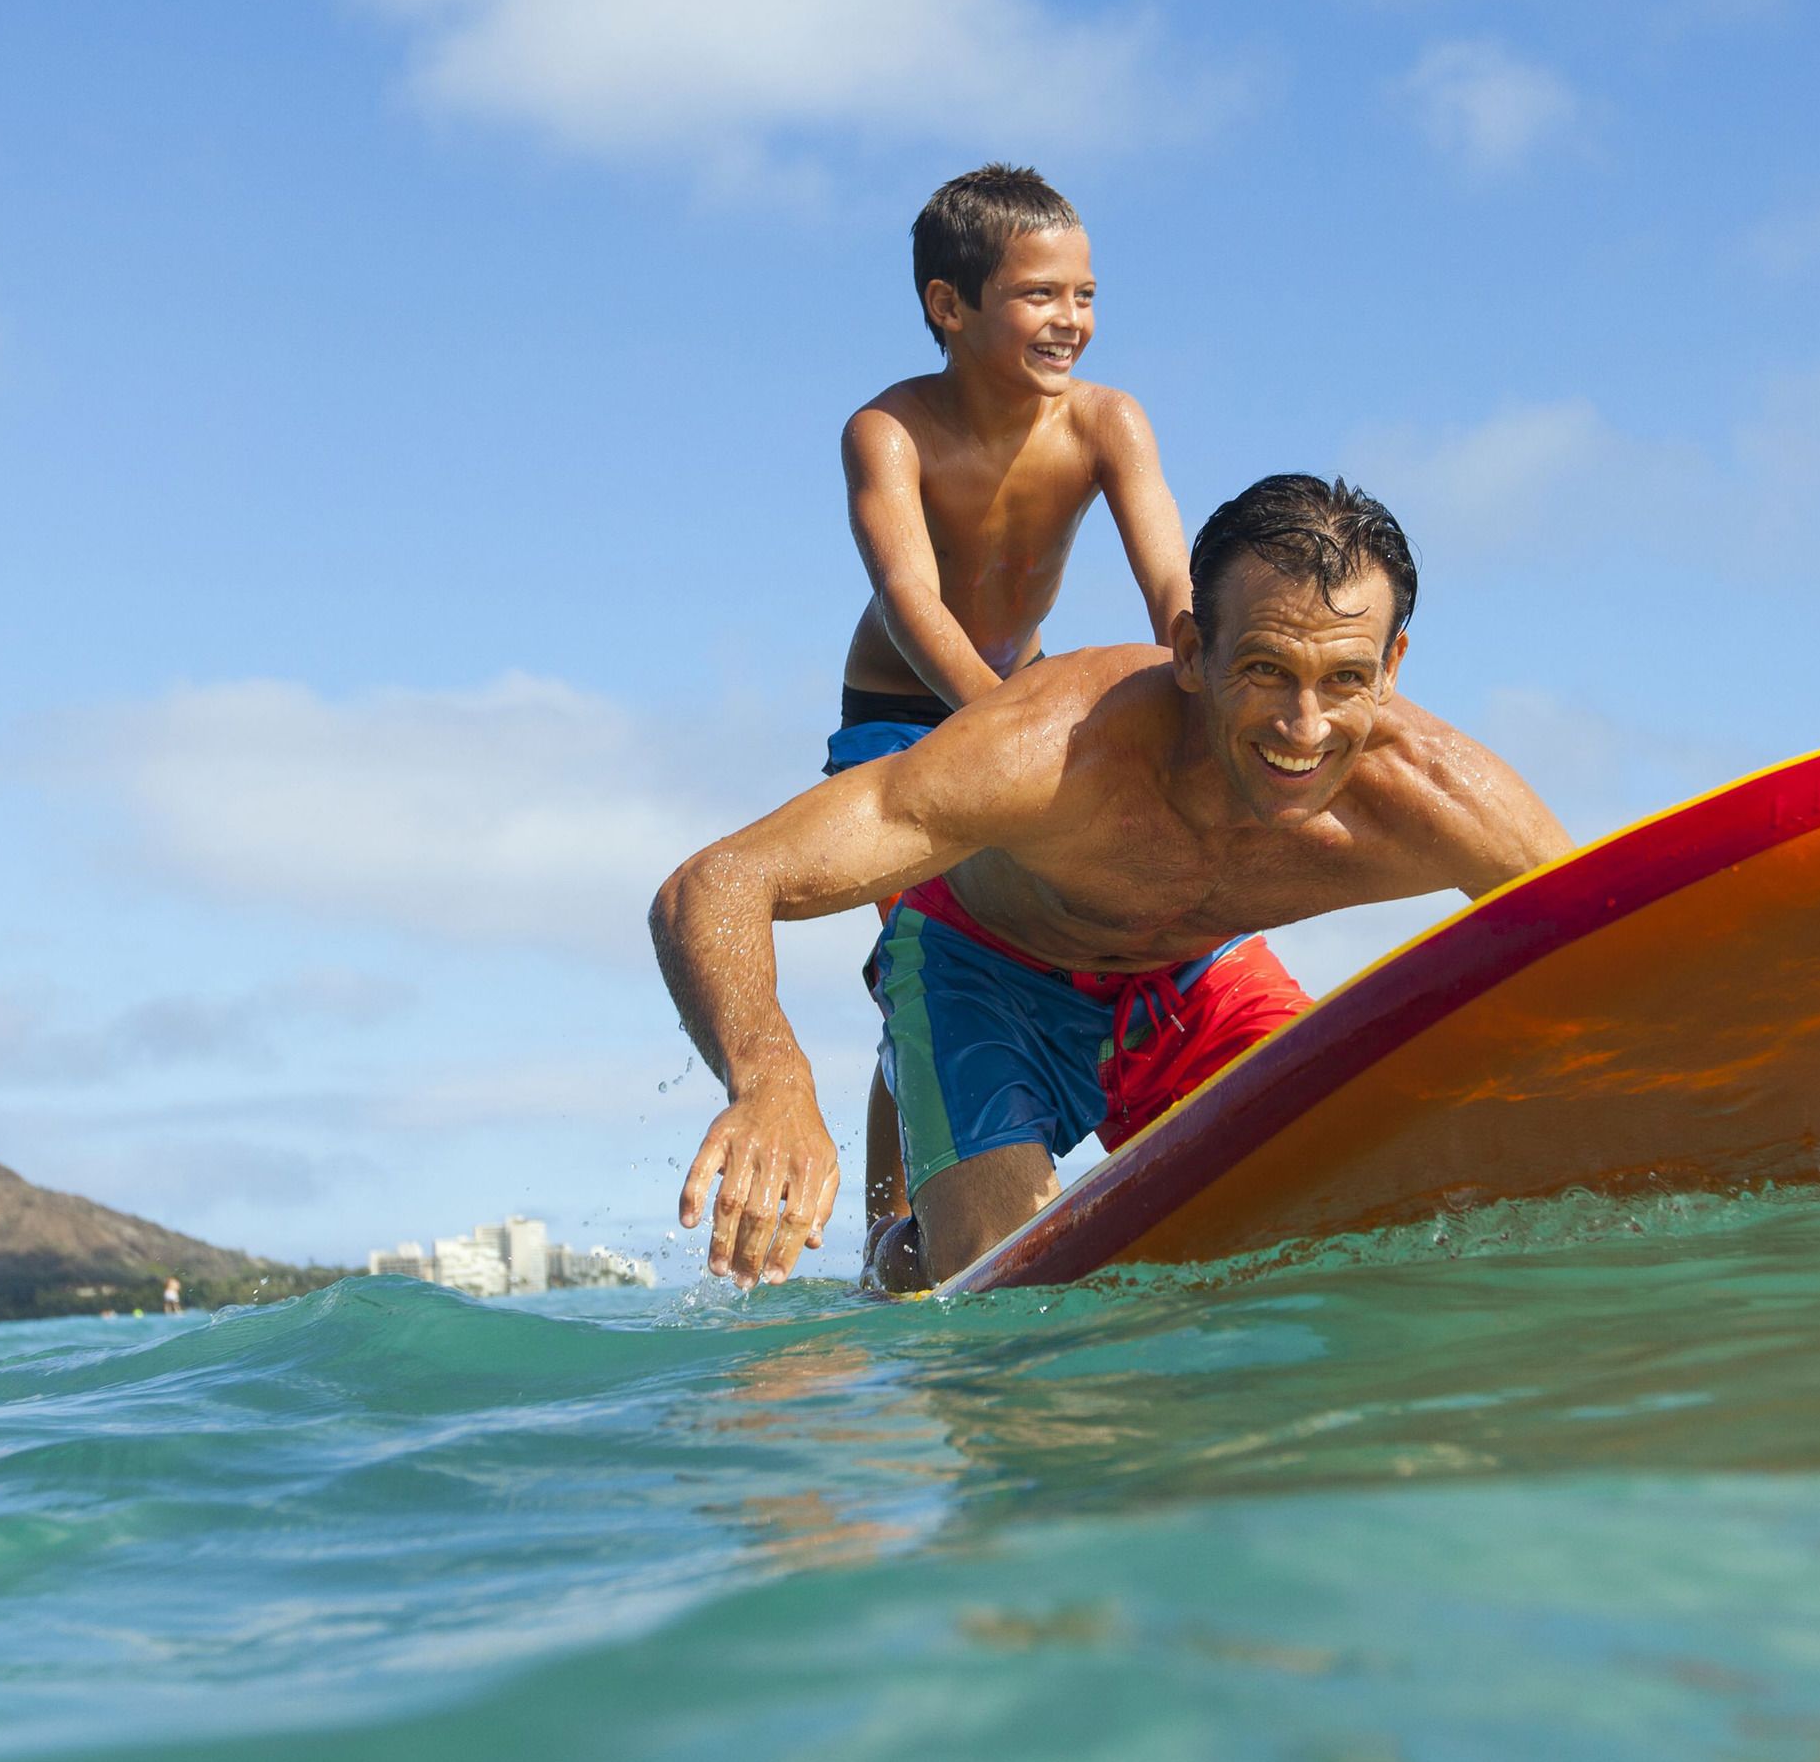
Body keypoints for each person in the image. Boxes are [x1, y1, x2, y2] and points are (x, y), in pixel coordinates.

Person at [655, 475, 1572, 1290]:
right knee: (1002, 1290)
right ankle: (903, 1241)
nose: (1304, 726)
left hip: (1197, 975)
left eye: (1345, 678)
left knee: (1338, 1211)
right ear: (1189, 651)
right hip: (985, 975)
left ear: (1393, 668)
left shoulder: (1433, 796)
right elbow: (719, 881)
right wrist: (771, 1079)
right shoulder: (1055, 752)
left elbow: (1603, 931)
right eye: (1264, 668)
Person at [825, 164, 1194, 1228]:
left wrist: (1199, 670)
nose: (1070, 319)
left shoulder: (1106, 423)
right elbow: (907, 597)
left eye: (1084, 293)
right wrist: (995, 723)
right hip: (897, 714)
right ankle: (891, 1221)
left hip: (1017, 692)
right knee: (927, 950)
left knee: (1059, 913)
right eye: (1040, 294)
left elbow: (1171, 580)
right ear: (951, 305)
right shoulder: (889, 431)